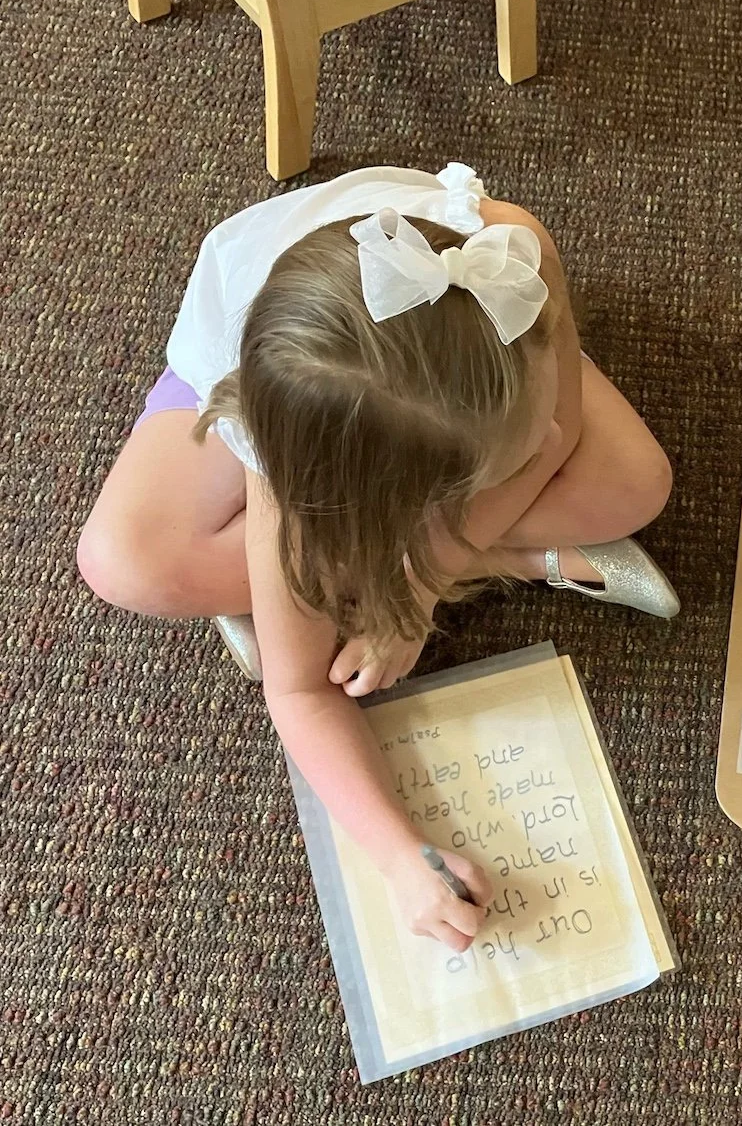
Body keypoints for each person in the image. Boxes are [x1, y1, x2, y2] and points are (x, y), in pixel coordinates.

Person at [77, 164, 678, 950]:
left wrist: (418, 584)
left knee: (635, 483)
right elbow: (297, 694)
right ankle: (514, 558)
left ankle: (385, 576)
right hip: (279, 374)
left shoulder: (510, 254)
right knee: (124, 564)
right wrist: (401, 858)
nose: (541, 449)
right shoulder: (287, 468)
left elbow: (552, 440)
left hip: (443, 360)